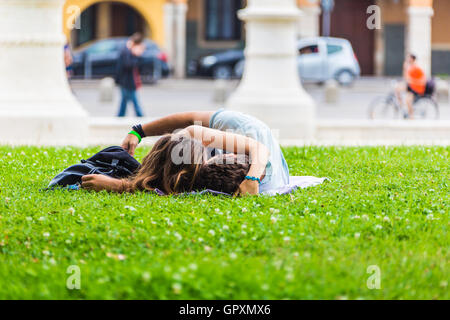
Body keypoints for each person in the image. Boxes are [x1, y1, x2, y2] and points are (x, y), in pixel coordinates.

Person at [81, 110, 290, 196]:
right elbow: (259, 149)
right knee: (187, 137)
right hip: (245, 132)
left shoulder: (221, 179)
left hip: (249, 161)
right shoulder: (243, 136)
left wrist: (121, 186)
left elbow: (176, 189)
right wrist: (139, 131)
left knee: (179, 157)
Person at [116, 32, 146, 117]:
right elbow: (128, 65)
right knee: (133, 101)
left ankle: (119, 117)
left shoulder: (128, 50)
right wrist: (137, 55)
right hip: (126, 81)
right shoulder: (126, 51)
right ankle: (141, 117)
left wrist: (138, 55)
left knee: (124, 101)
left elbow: (140, 66)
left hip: (127, 80)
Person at [395, 53, 427, 119]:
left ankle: (411, 116)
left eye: (408, 58)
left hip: (417, 88)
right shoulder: (410, 67)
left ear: (412, 59)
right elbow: (406, 78)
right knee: (397, 88)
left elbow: (423, 80)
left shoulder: (417, 68)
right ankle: (401, 106)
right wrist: (404, 68)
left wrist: (412, 81)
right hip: (412, 87)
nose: (407, 59)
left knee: (408, 101)